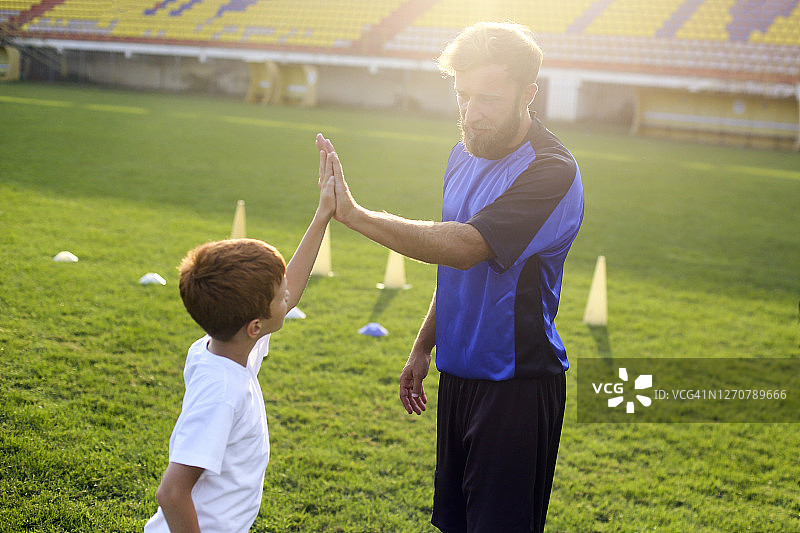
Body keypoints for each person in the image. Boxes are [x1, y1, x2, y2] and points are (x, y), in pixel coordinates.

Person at [316, 21, 584, 533]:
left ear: (529, 94)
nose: (470, 113)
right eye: (462, 95)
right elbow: (451, 268)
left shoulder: (552, 171)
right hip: (458, 378)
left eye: (488, 98)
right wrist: (424, 346)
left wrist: (355, 215)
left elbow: (465, 248)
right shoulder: (463, 152)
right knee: (455, 525)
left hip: (516, 388)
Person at [144, 171, 336, 533]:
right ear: (255, 327)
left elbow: (290, 290)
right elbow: (171, 493)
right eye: (280, 297)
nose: (288, 299)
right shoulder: (222, 392)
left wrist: (323, 214)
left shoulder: (222, 348)